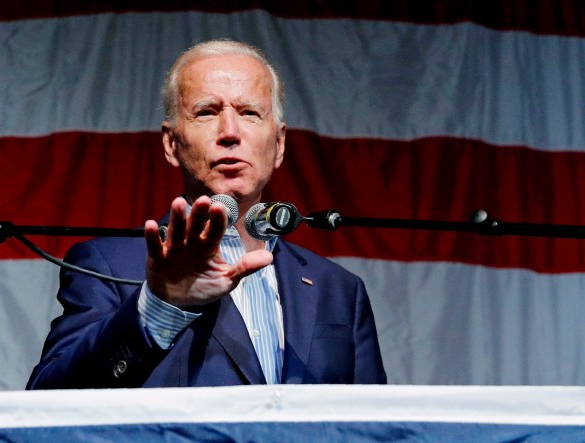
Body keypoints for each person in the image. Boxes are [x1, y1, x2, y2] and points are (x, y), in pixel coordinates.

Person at [27, 39, 386, 389]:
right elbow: (49, 401)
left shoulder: (339, 290)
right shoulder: (106, 266)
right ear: (171, 144)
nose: (229, 133)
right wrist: (161, 304)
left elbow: (377, 426)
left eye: (249, 113)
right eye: (206, 112)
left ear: (278, 145)